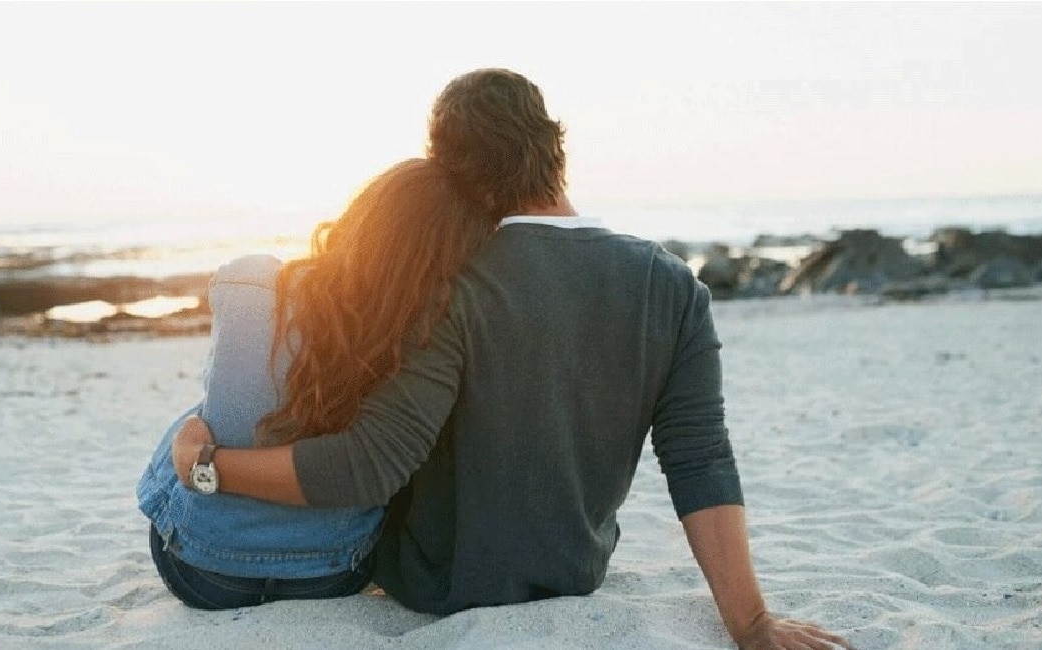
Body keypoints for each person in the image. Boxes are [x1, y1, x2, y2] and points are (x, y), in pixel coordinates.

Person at [171, 69, 851, 649]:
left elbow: (369, 463)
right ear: (554, 146)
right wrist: (752, 620)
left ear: (450, 172)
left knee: (202, 415)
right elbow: (699, 460)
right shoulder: (673, 287)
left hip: (437, 582)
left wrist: (207, 467)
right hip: (575, 571)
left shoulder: (452, 286)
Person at [137, 157, 495, 609]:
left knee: (197, 418)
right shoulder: (422, 333)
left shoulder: (251, 279)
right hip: (332, 575)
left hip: (203, 573)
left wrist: (200, 457)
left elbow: (228, 406)